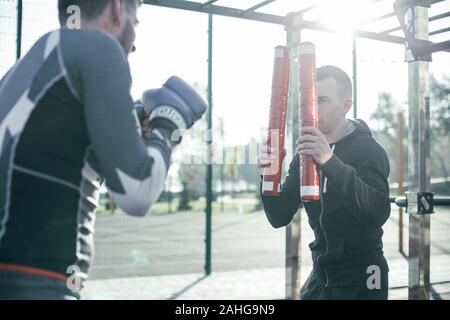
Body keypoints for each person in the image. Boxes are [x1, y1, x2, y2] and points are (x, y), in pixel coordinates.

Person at [0, 0, 207, 299]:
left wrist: (129, 128)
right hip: (40, 280)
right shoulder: (98, 48)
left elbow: (51, 161)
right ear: (117, 7)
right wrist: (167, 124)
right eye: (135, 24)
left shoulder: (32, 62)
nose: (134, 46)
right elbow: (137, 192)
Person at [258, 65, 391, 300]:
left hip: (365, 275)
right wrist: (269, 174)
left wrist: (329, 161)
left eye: (322, 101)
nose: (313, 110)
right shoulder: (305, 154)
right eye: (309, 102)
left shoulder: (367, 149)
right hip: (323, 274)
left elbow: (378, 211)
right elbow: (279, 216)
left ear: (345, 106)